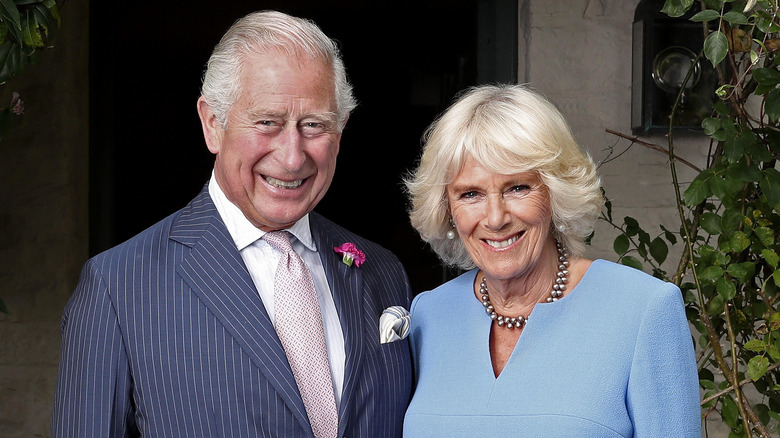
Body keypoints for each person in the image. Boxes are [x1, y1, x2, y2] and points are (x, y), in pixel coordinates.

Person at [52, 10, 412, 438]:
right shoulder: (118, 285)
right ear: (212, 124)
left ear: (341, 130)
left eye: (314, 125)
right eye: (267, 123)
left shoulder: (383, 272)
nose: (292, 156)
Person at [402, 84, 700, 436]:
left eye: (518, 188)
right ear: (447, 209)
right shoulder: (428, 315)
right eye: (471, 194)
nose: (495, 218)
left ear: (555, 193)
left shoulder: (643, 310)